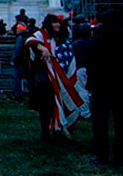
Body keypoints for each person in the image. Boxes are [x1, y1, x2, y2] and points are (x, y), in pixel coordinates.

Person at [87, 10, 123, 168]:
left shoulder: (96, 42)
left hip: (101, 88)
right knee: (122, 125)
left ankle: (102, 157)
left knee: (100, 125)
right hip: (122, 88)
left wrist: (91, 84)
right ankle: (121, 159)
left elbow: (91, 66)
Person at [26, 14, 84, 142]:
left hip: (53, 78)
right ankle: (47, 133)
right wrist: (43, 49)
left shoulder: (54, 37)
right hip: (44, 79)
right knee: (46, 107)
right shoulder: (41, 35)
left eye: (58, 23)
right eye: (54, 23)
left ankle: (56, 129)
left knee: (54, 105)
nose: (58, 25)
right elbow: (31, 41)